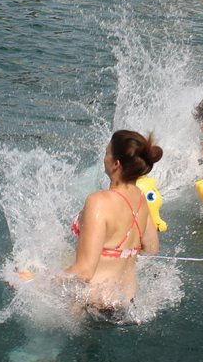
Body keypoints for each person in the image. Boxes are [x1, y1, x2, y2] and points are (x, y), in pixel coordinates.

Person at [65, 130, 161, 311]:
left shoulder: (98, 202)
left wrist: (36, 280)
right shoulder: (141, 199)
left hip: (92, 304)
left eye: (106, 153)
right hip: (126, 305)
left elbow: (84, 273)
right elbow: (152, 249)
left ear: (116, 164)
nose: (104, 158)